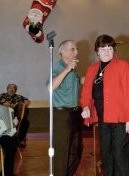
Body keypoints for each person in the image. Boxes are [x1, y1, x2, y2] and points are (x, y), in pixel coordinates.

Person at [80, 34, 129, 176]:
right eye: (103, 48)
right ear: (97, 51)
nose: (107, 52)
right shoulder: (92, 69)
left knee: (120, 154)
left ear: (114, 50)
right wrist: (86, 107)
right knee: (106, 154)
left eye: (110, 48)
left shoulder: (122, 65)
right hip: (103, 119)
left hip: (121, 120)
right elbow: (86, 93)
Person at [46, 40, 83, 176]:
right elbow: (50, 86)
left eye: (76, 49)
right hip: (61, 115)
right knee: (61, 152)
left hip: (73, 114)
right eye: (73, 49)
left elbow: (79, 82)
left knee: (75, 150)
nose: (77, 52)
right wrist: (67, 69)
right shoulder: (58, 67)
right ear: (63, 51)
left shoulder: (72, 70)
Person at [0, 83, 30, 147]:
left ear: (16, 90)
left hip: (15, 117)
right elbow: (7, 105)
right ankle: (6, 141)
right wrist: (17, 103)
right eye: (10, 88)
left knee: (25, 122)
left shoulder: (18, 96)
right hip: (4, 117)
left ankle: (19, 140)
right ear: (7, 89)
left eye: (13, 88)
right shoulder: (2, 96)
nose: (11, 89)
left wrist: (23, 105)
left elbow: (27, 101)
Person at [0, 103, 18, 176]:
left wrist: (14, 121)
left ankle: (7, 173)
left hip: (0, 134)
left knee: (12, 144)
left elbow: (12, 117)